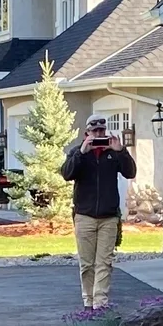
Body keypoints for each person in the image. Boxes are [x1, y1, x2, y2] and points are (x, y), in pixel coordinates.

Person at [60, 113, 137, 312]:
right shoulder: (78, 152)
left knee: (105, 262)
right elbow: (67, 174)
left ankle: (100, 303)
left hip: (108, 217)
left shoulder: (113, 153)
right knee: (87, 264)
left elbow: (130, 172)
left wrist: (121, 151)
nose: (98, 134)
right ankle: (88, 301)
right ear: (87, 133)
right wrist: (82, 153)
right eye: (94, 131)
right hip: (84, 216)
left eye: (101, 130)